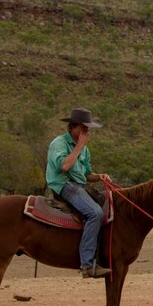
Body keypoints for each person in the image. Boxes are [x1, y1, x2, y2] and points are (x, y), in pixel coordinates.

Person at [46, 108, 113, 278]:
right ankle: (87, 264)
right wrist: (79, 146)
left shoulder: (84, 150)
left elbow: (86, 175)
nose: (86, 132)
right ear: (73, 127)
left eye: (88, 129)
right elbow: (64, 167)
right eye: (84, 129)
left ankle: (102, 257)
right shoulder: (59, 143)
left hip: (79, 185)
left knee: (107, 205)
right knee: (95, 213)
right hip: (64, 185)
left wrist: (99, 176)